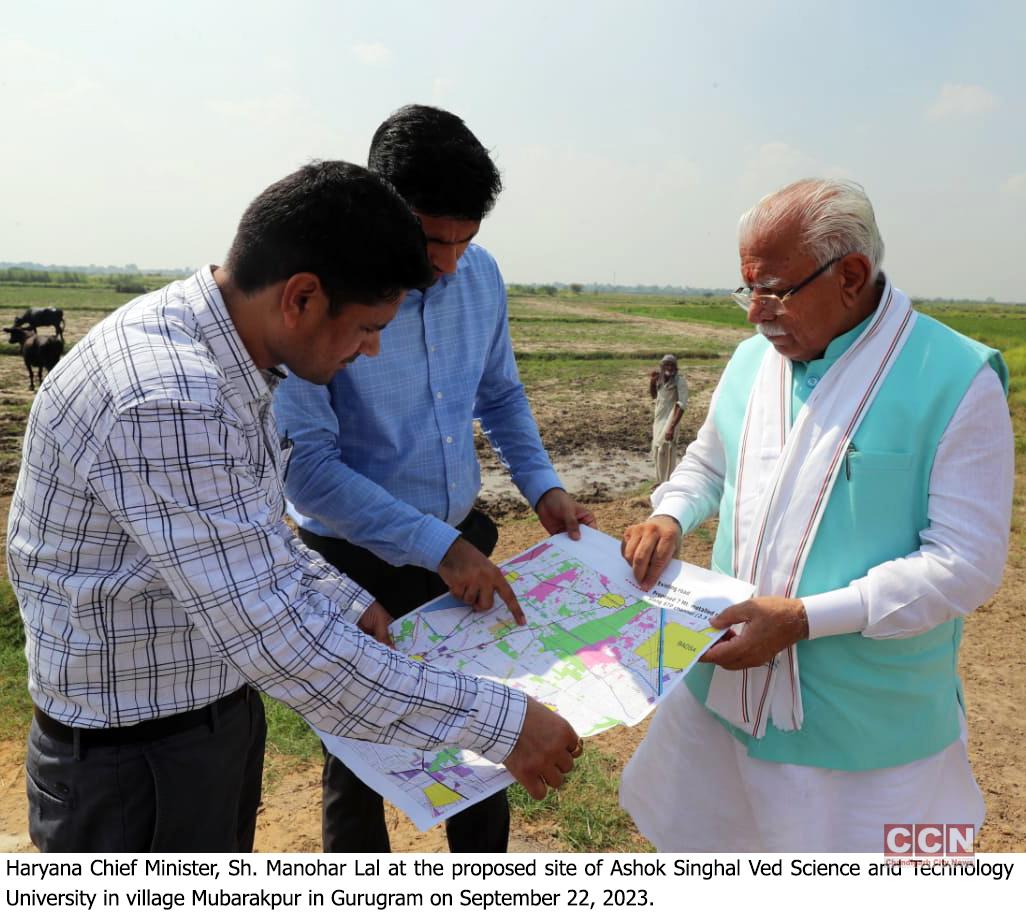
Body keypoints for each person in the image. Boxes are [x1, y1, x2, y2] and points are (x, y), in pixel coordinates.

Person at [6, 160, 581, 853]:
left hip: (203, 716)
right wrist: (505, 723)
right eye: (368, 327)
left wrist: (344, 600)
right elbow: (278, 641)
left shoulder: (222, 354)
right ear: (302, 298)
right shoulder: (167, 396)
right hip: (140, 759)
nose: (371, 351)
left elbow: (252, 529)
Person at [618, 178, 1012, 852]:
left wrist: (802, 620)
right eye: (747, 291)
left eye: (772, 290)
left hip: (864, 726)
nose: (754, 314)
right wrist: (672, 516)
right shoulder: (754, 361)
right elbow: (709, 463)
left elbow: (965, 565)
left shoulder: (955, 377)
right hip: (725, 691)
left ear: (851, 275)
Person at [273, 106, 594, 854]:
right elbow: (310, 472)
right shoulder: (326, 296)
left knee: (484, 746)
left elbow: (501, 392)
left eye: (465, 239)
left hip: (458, 546)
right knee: (361, 764)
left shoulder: (478, 278)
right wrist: (436, 548)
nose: (448, 261)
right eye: (431, 239)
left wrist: (542, 486)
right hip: (355, 564)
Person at [649, 353, 688, 483]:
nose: (669, 367)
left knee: (665, 450)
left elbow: (681, 405)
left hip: (670, 420)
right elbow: (654, 396)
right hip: (658, 419)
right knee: (656, 450)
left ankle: (667, 482)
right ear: (662, 366)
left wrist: (672, 427)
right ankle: (659, 481)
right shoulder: (660, 379)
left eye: (672, 365)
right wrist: (652, 381)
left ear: (676, 367)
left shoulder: (679, 381)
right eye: (667, 364)